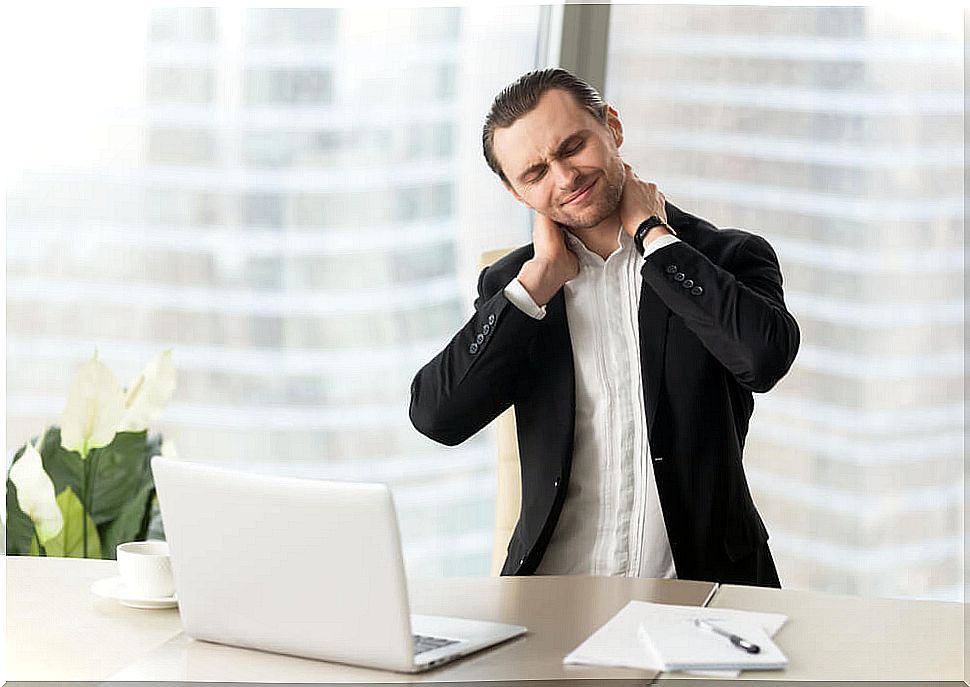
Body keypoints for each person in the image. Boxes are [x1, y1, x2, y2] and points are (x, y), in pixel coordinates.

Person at [409, 68, 799, 587]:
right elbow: (438, 416)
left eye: (572, 147)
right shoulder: (518, 287)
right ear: (516, 193)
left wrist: (655, 240)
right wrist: (538, 283)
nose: (565, 177)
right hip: (550, 597)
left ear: (611, 127)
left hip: (703, 592)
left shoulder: (725, 257)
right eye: (535, 173)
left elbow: (763, 359)